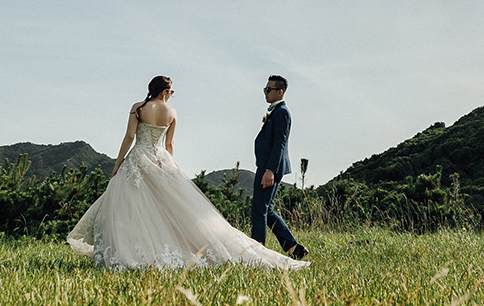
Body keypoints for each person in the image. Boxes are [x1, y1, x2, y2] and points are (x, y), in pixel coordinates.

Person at [67, 75, 307, 271]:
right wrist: (168, 167)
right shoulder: (172, 113)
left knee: (131, 208)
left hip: (138, 159)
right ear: (165, 92)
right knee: (171, 209)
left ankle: (128, 249)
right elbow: (169, 145)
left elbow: (130, 137)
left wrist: (118, 164)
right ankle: (279, 247)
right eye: (171, 92)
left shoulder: (137, 108)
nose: (171, 95)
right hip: (161, 160)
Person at [252, 75, 308, 259]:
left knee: (259, 209)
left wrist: (270, 170)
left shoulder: (282, 112)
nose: (265, 93)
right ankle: (294, 248)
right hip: (268, 166)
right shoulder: (276, 112)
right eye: (265, 89)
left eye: (268, 89)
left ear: (280, 91)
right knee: (266, 210)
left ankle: (258, 250)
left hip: (270, 168)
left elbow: (280, 144)